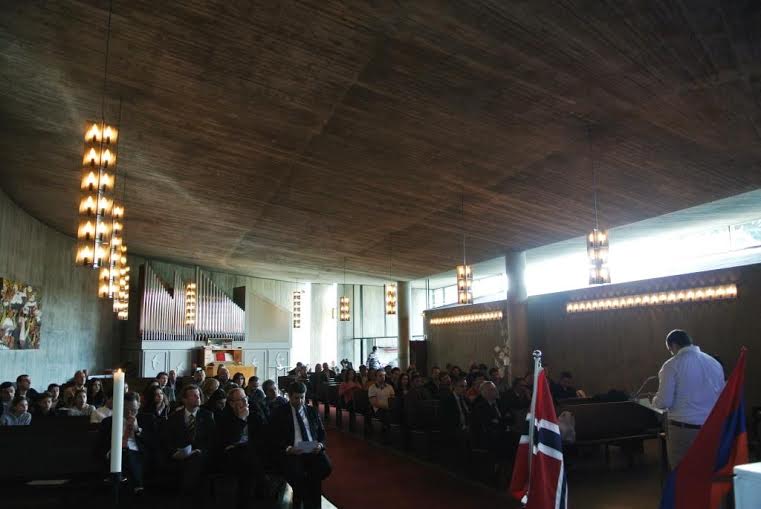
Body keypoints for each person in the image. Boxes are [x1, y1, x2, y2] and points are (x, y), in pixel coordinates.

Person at [652, 329, 724, 470]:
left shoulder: (671, 365)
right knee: (707, 470)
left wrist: (654, 401)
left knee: (683, 473)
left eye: (670, 350)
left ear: (673, 345)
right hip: (712, 427)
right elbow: (721, 396)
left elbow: (664, 402)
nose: (672, 353)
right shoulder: (714, 363)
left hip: (683, 430)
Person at [270, 382, 331, 509]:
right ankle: (309, 503)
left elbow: (321, 433)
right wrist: (288, 449)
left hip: (311, 447)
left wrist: (320, 445)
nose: (300, 401)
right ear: (289, 396)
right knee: (300, 477)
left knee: (325, 467)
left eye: (302, 397)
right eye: (296, 398)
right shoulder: (280, 413)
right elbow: (273, 437)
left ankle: (304, 499)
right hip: (293, 450)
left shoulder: (311, 411)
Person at [163, 384, 216, 498]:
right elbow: (168, 439)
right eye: (194, 395)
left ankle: (186, 496)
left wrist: (200, 450)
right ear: (184, 400)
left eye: (198, 395)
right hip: (181, 454)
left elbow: (212, 439)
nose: (198, 397)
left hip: (200, 455)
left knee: (194, 462)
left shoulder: (207, 416)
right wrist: (175, 452)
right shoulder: (174, 417)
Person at [96, 392, 147, 494]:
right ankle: (137, 486)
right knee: (123, 453)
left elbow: (152, 441)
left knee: (127, 453)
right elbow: (100, 444)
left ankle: (120, 484)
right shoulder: (108, 422)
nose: (129, 414)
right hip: (114, 453)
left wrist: (137, 430)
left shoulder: (147, 419)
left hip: (137, 453)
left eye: (133, 410)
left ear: (139, 406)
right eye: (126, 410)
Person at [470, 381, 512, 458]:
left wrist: (499, 421)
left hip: (505, 432)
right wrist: (502, 421)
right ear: (484, 393)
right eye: (492, 389)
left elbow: (511, 418)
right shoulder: (480, 407)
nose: (496, 391)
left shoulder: (501, 402)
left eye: (495, 389)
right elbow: (488, 424)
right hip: (490, 436)